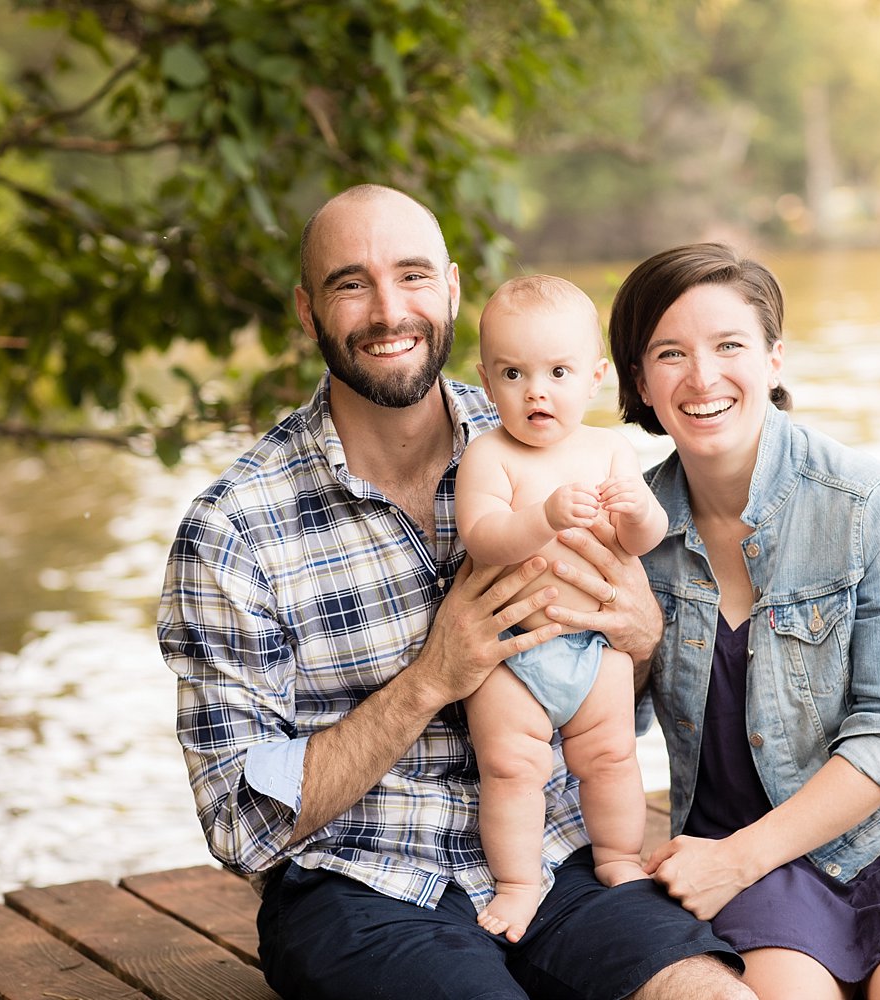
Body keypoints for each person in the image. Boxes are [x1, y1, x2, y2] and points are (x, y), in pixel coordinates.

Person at [156, 186, 750, 1000]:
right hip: (363, 887)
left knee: (710, 994)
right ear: (307, 311)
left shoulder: (560, 439)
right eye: (350, 283)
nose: (389, 309)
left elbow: (623, 710)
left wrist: (642, 636)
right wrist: (432, 677)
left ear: (453, 290)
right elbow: (239, 824)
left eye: (412, 276)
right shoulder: (233, 530)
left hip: (560, 854)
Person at [605, 243, 880, 1000]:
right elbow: (606, 723)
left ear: (774, 359)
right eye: (671, 353)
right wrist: (637, 644)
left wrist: (738, 859)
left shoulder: (869, 504)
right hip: (739, 839)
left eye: (729, 345)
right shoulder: (627, 529)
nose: (702, 377)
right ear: (639, 380)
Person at [456, 274, 667, 942]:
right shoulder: (488, 455)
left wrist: (639, 514)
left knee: (610, 758)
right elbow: (482, 538)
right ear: (487, 384)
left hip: (591, 643)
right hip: (514, 649)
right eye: (513, 373)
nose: (535, 391)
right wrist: (540, 517)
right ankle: (518, 882)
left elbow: (641, 541)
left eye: (557, 371)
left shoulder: (609, 449)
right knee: (512, 768)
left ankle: (617, 856)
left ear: (596, 377)